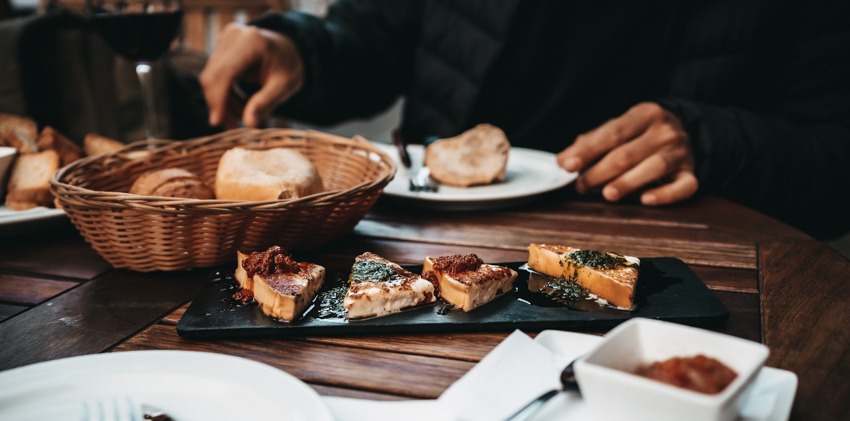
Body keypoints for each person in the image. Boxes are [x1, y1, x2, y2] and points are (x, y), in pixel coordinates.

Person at [199, 0, 850, 240]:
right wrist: (300, 49)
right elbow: (379, 33)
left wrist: (712, 141)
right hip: (438, 241)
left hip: (685, 265)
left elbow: (832, 160)